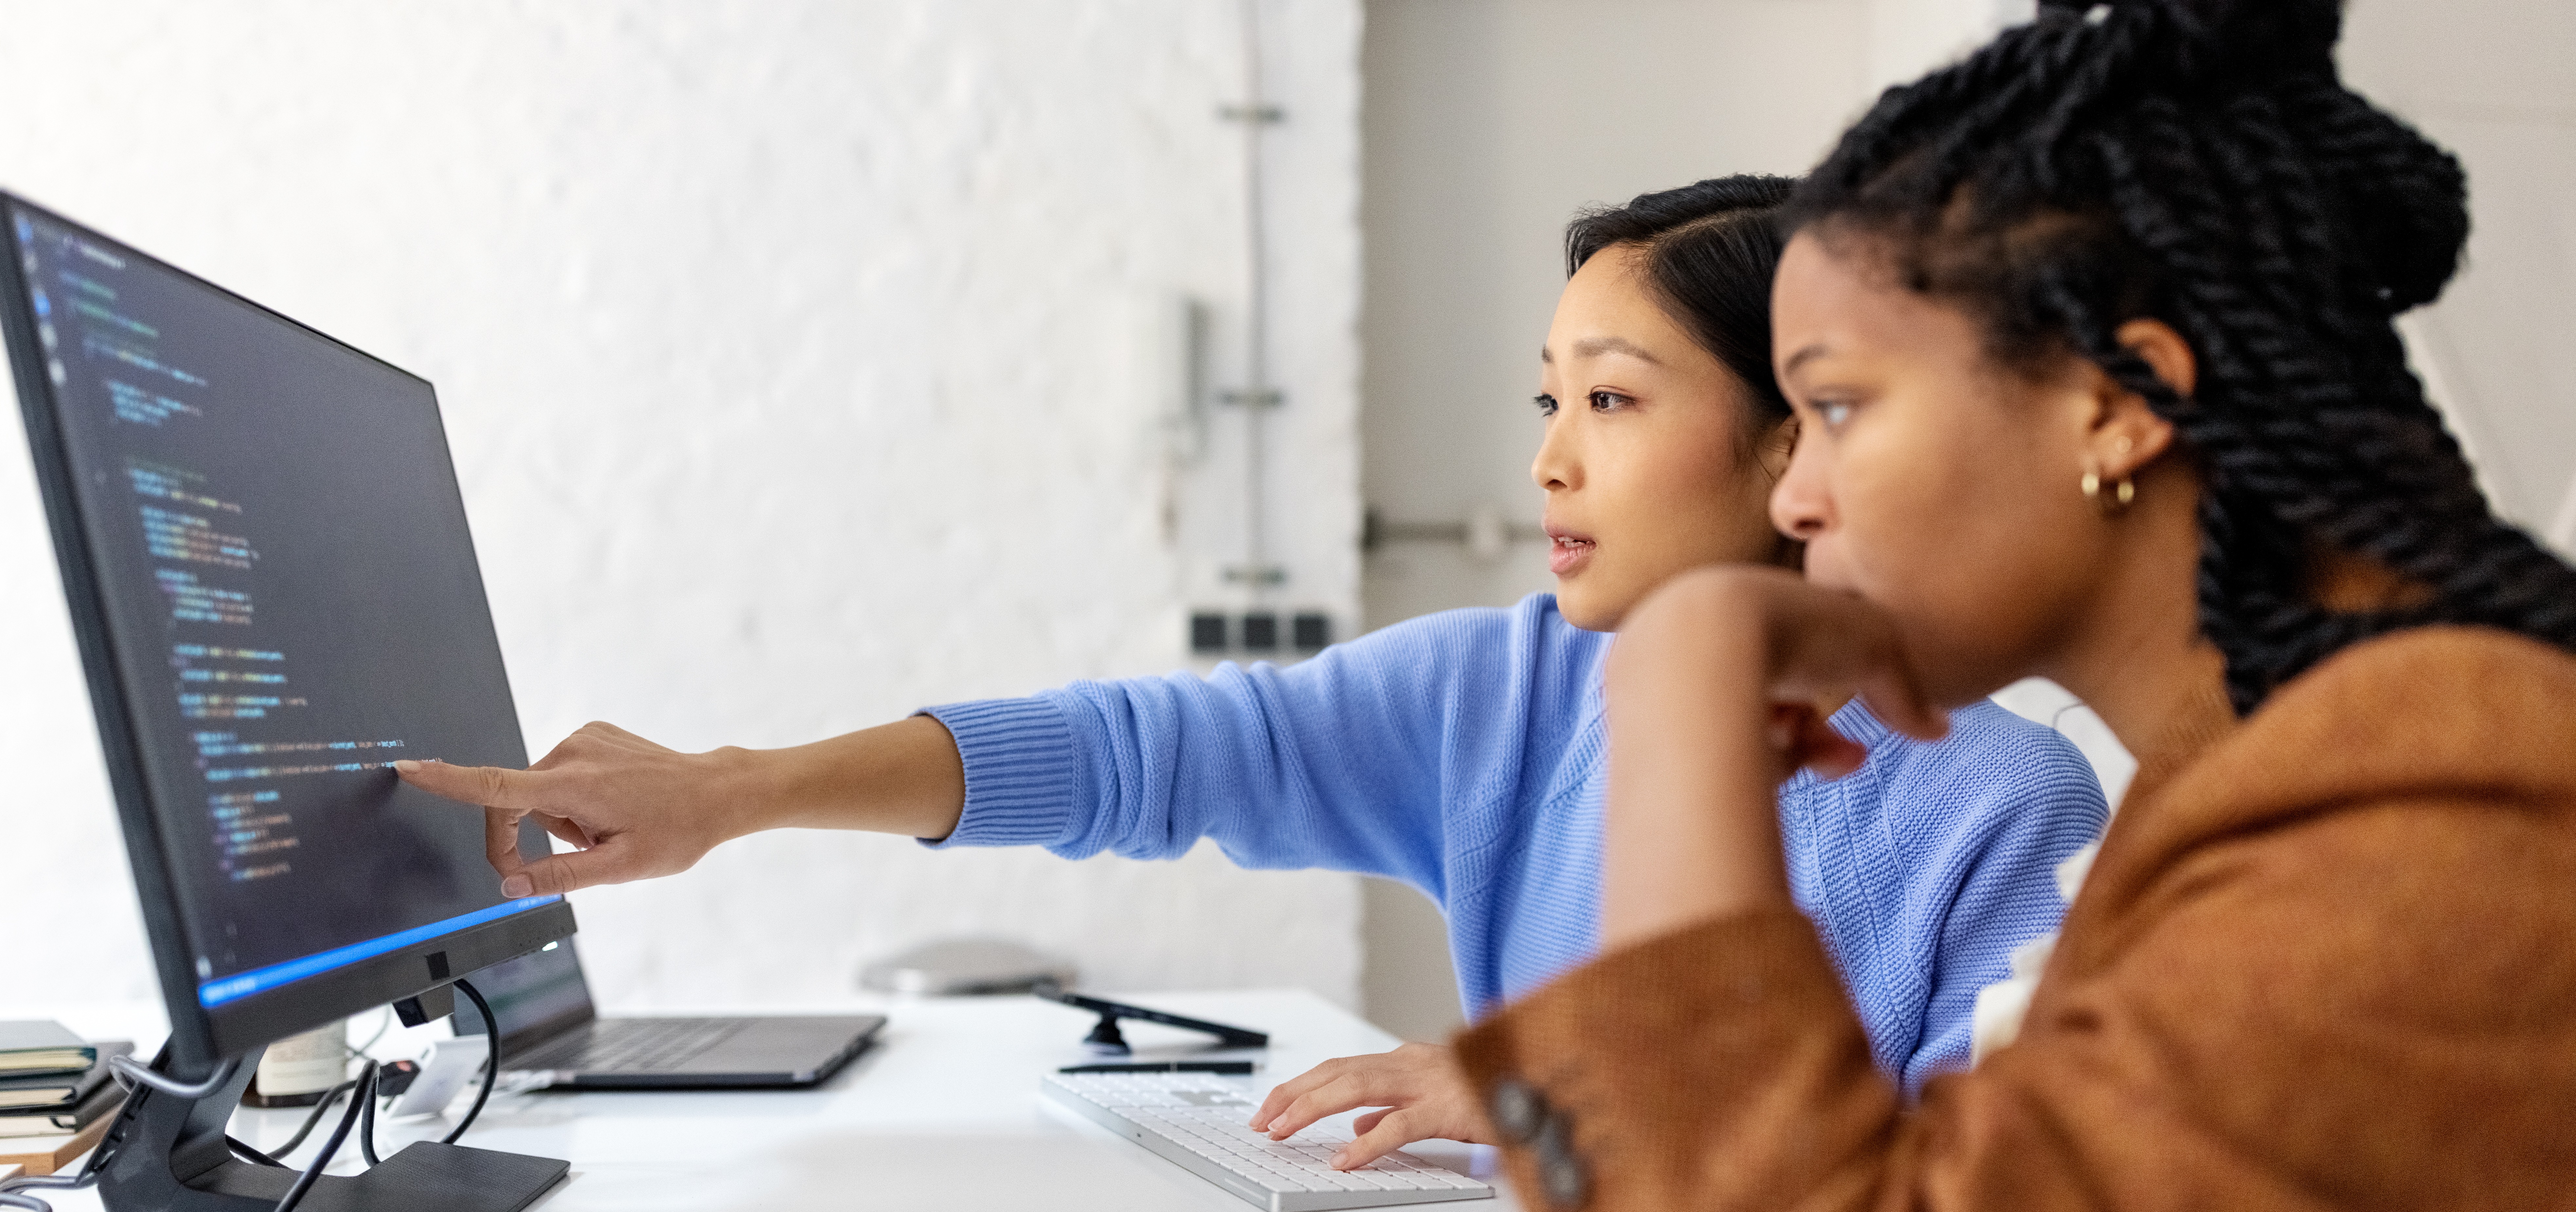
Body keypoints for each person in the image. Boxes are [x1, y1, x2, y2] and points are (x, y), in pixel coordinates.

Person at [397, 178, 2106, 1170]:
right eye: (1547, 403)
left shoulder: (1998, 809)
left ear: (1790, 443)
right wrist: (735, 792)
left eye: (1614, 398)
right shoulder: (1506, 697)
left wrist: (1553, 1090)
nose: (1552, 465)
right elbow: (1142, 754)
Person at [1449, 1, 2576, 1208]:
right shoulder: (2260, 772)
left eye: (1835, 410)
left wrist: (1682, 689)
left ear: (2118, 401)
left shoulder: (2426, 809)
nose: (1803, 497)